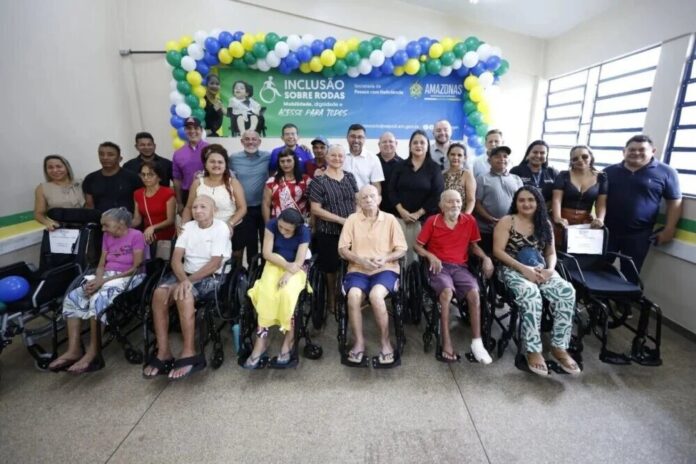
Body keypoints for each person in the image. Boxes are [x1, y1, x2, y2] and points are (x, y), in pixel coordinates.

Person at [493, 186, 580, 377]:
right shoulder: (507, 221)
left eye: (531, 200)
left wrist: (550, 270)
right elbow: (498, 251)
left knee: (567, 291)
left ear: (538, 202)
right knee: (531, 295)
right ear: (516, 203)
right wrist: (524, 269)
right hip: (512, 268)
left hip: (541, 269)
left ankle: (559, 347)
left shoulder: (545, 223)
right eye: (522, 200)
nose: (526, 204)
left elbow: (551, 253)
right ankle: (533, 350)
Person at [47, 208, 146, 374]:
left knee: (98, 298)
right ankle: (74, 349)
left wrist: (104, 282)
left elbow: (136, 267)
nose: (103, 229)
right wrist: (98, 279)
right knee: (73, 297)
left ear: (121, 223)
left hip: (130, 276)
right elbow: (101, 264)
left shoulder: (136, 235)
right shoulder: (107, 236)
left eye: (106, 225)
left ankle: (94, 352)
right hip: (105, 275)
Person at [144, 195, 231, 380]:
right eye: (195, 207)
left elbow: (215, 264)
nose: (198, 210)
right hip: (186, 274)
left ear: (214, 210)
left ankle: (189, 352)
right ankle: (163, 352)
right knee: (159, 294)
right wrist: (184, 280)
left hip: (211, 276)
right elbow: (176, 260)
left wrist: (186, 282)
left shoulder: (221, 228)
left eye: (203, 207)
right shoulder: (188, 227)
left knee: (184, 296)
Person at [414, 190, 494, 364]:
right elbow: (417, 246)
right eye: (450, 202)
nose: (455, 205)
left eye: (458, 201)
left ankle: (477, 343)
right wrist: (430, 256)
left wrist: (486, 258)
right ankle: (446, 341)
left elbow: (473, 246)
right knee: (446, 292)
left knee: (474, 293)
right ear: (441, 206)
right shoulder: (432, 221)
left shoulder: (469, 220)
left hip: (460, 267)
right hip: (439, 266)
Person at [338, 185, 407, 367]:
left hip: (385, 269)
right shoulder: (352, 220)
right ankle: (359, 342)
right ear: (359, 202)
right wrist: (360, 260)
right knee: (353, 296)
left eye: (372, 196)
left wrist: (385, 258)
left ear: (379, 199)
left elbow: (402, 249)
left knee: (376, 296)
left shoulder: (390, 219)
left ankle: (385, 342)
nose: (368, 200)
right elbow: (343, 249)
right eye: (364, 197)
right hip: (358, 269)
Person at [604, 134, 682, 273]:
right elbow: (598, 198)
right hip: (607, 231)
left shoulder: (667, 172)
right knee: (597, 270)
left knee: (630, 274)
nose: (636, 153)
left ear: (653, 151)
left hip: (639, 235)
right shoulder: (609, 171)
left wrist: (669, 229)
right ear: (624, 151)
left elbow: (674, 202)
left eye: (641, 149)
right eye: (632, 149)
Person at [244, 208, 311, 369]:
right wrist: (286, 266)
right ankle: (261, 341)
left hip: (296, 267)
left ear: (296, 228)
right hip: (274, 263)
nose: (282, 231)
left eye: (288, 229)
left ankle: (289, 339)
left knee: (287, 295)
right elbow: (267, 253)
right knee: (265, 293)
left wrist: (289, 273)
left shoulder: (304, 231)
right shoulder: (271, 224)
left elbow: (299, 260)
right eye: (281, 226)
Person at [308, 144, 358, 314]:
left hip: (351, 231)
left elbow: (357, 200)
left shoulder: (350, 177)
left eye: (340, 156)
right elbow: (315, 209)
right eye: (333, 155)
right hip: (328, 231)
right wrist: (340, 220)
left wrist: (355, 219)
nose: (337, 158)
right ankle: (331, 298)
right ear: (327, 157)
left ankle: (349, 296)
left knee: (352, 264)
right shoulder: (318, 181)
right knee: (331, 268)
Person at [389, 129, 444, 265]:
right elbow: (391, 190)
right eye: (415, 143)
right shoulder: (400, 166)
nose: (418, 145)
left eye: (422, 143)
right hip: (400, 218)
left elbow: (437, 194)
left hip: (424, 221)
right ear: (410, 146)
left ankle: (419, 278)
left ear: (427, 146)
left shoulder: (434, 168)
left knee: (419, 258)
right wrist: (401, 210)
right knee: (400, 256)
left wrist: (418, 213)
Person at [181, 144, 247, 234]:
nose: (216, 165)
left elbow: (242, 208)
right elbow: (188, 208)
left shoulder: (233, 183)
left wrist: (229, 224)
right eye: (212, 161)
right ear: (206, 165)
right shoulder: (197, 183)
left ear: (225, 165)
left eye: (220, 162)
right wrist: (184, 226)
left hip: (231, 230)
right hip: (202, 231)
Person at [230, 130, 270, 267]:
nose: (250, 142)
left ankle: (264, 270)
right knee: (250, 241)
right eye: (247, 139)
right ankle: (251, 271)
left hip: (264, 206)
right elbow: (221, 171)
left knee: (266, 239)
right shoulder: (233, 159)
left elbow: (287, 156)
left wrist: (302, 148)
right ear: (242, 141)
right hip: (244, 208)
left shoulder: (268, 157)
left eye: (254, 139)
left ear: (259, 141)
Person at [551, 145, 607, 245]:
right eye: (575, 159)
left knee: (580, 248)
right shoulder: (563, 175)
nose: (580, 160)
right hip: (562, 221)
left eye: (584, 156)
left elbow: (601, 203)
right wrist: (557, 218)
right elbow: (556, 200)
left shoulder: (601, 177)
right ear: (571, 161)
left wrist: (600, 219)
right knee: (557, 247)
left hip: (585, 222)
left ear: (591, 157)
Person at [474, 146, 523, 254]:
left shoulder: (516, 179)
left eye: (505, 156)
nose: (502, 159)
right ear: (489, 160)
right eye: (497, 156)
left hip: (511, 229)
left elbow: (521, 203)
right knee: (487, 258)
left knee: (507, 257)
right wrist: (491, 219)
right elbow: (477, 204)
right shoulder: (481, 179)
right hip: (487, 230)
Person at [83, 141, 142, 213]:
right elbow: (89, 206)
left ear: (119, 158)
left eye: (110, 155)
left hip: (127, 218)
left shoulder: (132, 177)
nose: (105, 158)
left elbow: (141, 202)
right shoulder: (90, 179)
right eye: (101, 154)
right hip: (99, 218)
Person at [132, 160, 176, 249]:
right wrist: (123, 226)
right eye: (143, 174)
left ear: (159, 177)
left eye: (150, 174)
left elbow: (171, 220)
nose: (146, 177)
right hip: (148, 237)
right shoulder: (137, 194)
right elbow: (137, 219)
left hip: (166, 237)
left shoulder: (168, 193)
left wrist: (153, 227)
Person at [34, 155, 85, 231]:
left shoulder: (81, 183)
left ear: (67, 167)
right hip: (59, 230)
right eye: (50, 167)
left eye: (59, 166)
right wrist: (48, 223)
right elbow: (38, 214)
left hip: (85, 228)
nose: (55, 170)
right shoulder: (42, 188)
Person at [262, 148, 311, 222]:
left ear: (295, 161)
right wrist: (268, 225)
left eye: (289, 161)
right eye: (282, 161)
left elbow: (312, 203)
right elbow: (266, 205)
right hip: (278, 223)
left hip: (300, 223)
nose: (285, 164)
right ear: (279, 163)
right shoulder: (271, 182)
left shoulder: (306, 180)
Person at [172, 117, 208, 212]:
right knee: (188, 220)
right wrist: (179, 203)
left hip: (208, 193)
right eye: (189, 128)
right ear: (185, 131)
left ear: (201, 130)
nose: (192, 131)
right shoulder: (178, 153)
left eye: (196, 128)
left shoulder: (210, 149)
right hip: (187, 195)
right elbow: (177, 180)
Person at [343, 124, 385, 191]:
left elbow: (376, 185)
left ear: (365, 139)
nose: (356, 140)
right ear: (347, 137)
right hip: (341, 197)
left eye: (360, 137)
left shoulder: (373, 159)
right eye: (353, 136)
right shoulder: (339, 156)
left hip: (364, 197)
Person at [443, 143, 476, 214]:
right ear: (448, 156)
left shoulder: (467, 174)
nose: (455, 157)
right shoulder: (442, 175)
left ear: (465, 158)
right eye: (452, 154)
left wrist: (465, 217)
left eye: (459, 155)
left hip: (462, 215)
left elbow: (471, 200)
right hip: (445, 216)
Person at [376, 131, 404, 216]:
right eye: (384, 142)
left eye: (391, 141)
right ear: (379, 145)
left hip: (397, 213)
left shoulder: (404, 164)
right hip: (375, 210)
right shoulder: (372, 161)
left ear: (396, 144)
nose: (387, 144)